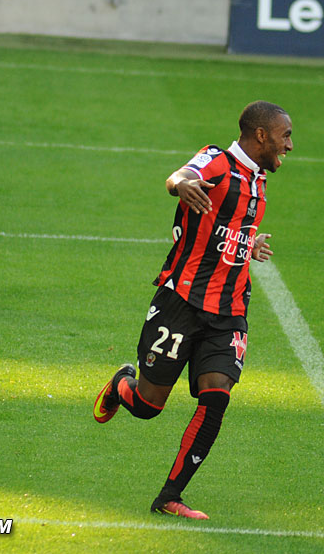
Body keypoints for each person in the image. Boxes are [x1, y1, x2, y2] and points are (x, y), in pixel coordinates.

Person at [93, 101, 293, 520]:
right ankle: (121, 385)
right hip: (181, 302)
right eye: (284, 136)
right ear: (261, 135)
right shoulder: (218, 161)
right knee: (148, 406)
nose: (289, 145)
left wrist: (247, 244)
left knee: (217, 395)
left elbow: (228, 226)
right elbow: (182, 175)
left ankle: (169, 496)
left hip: (230, 309)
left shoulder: (258, 180)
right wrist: (179, 184)